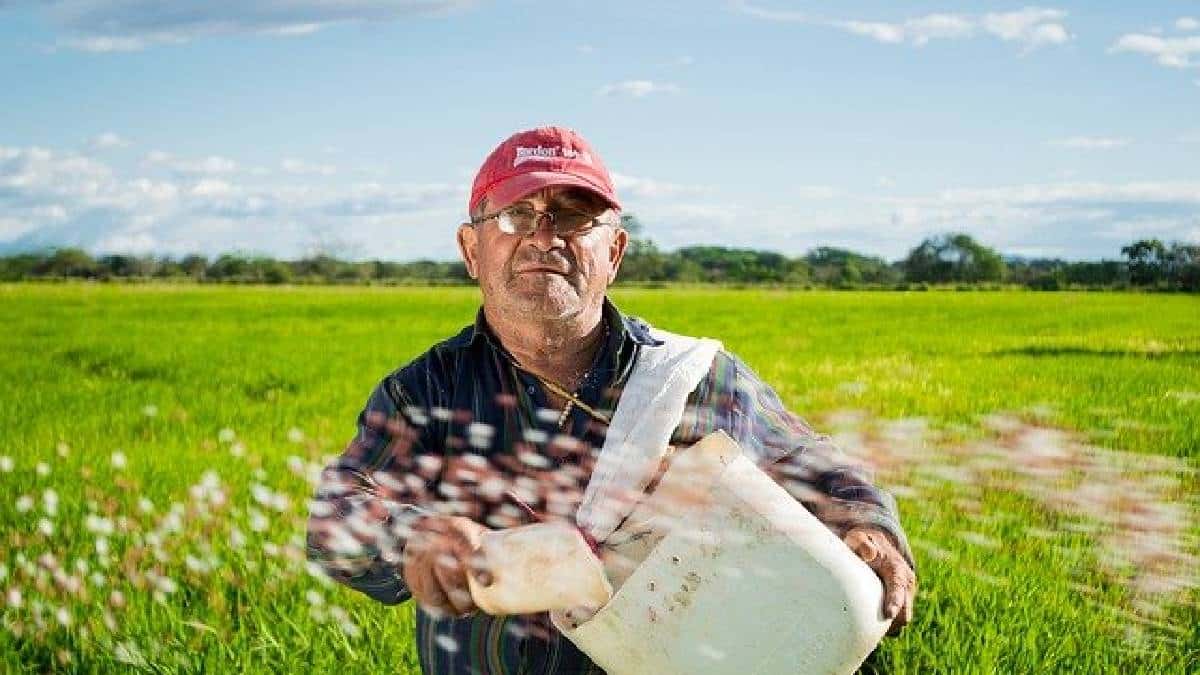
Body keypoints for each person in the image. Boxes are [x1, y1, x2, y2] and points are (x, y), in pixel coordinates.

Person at [307, 125, 916, 674]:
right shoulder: (425, 392)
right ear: (472, 250)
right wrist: (412, 537)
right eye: (517, 215)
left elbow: (814, 466)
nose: (545, 237)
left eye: (574, 218)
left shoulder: (689, 378)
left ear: (614, 253)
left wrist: (866, 523)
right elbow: (338, 516)